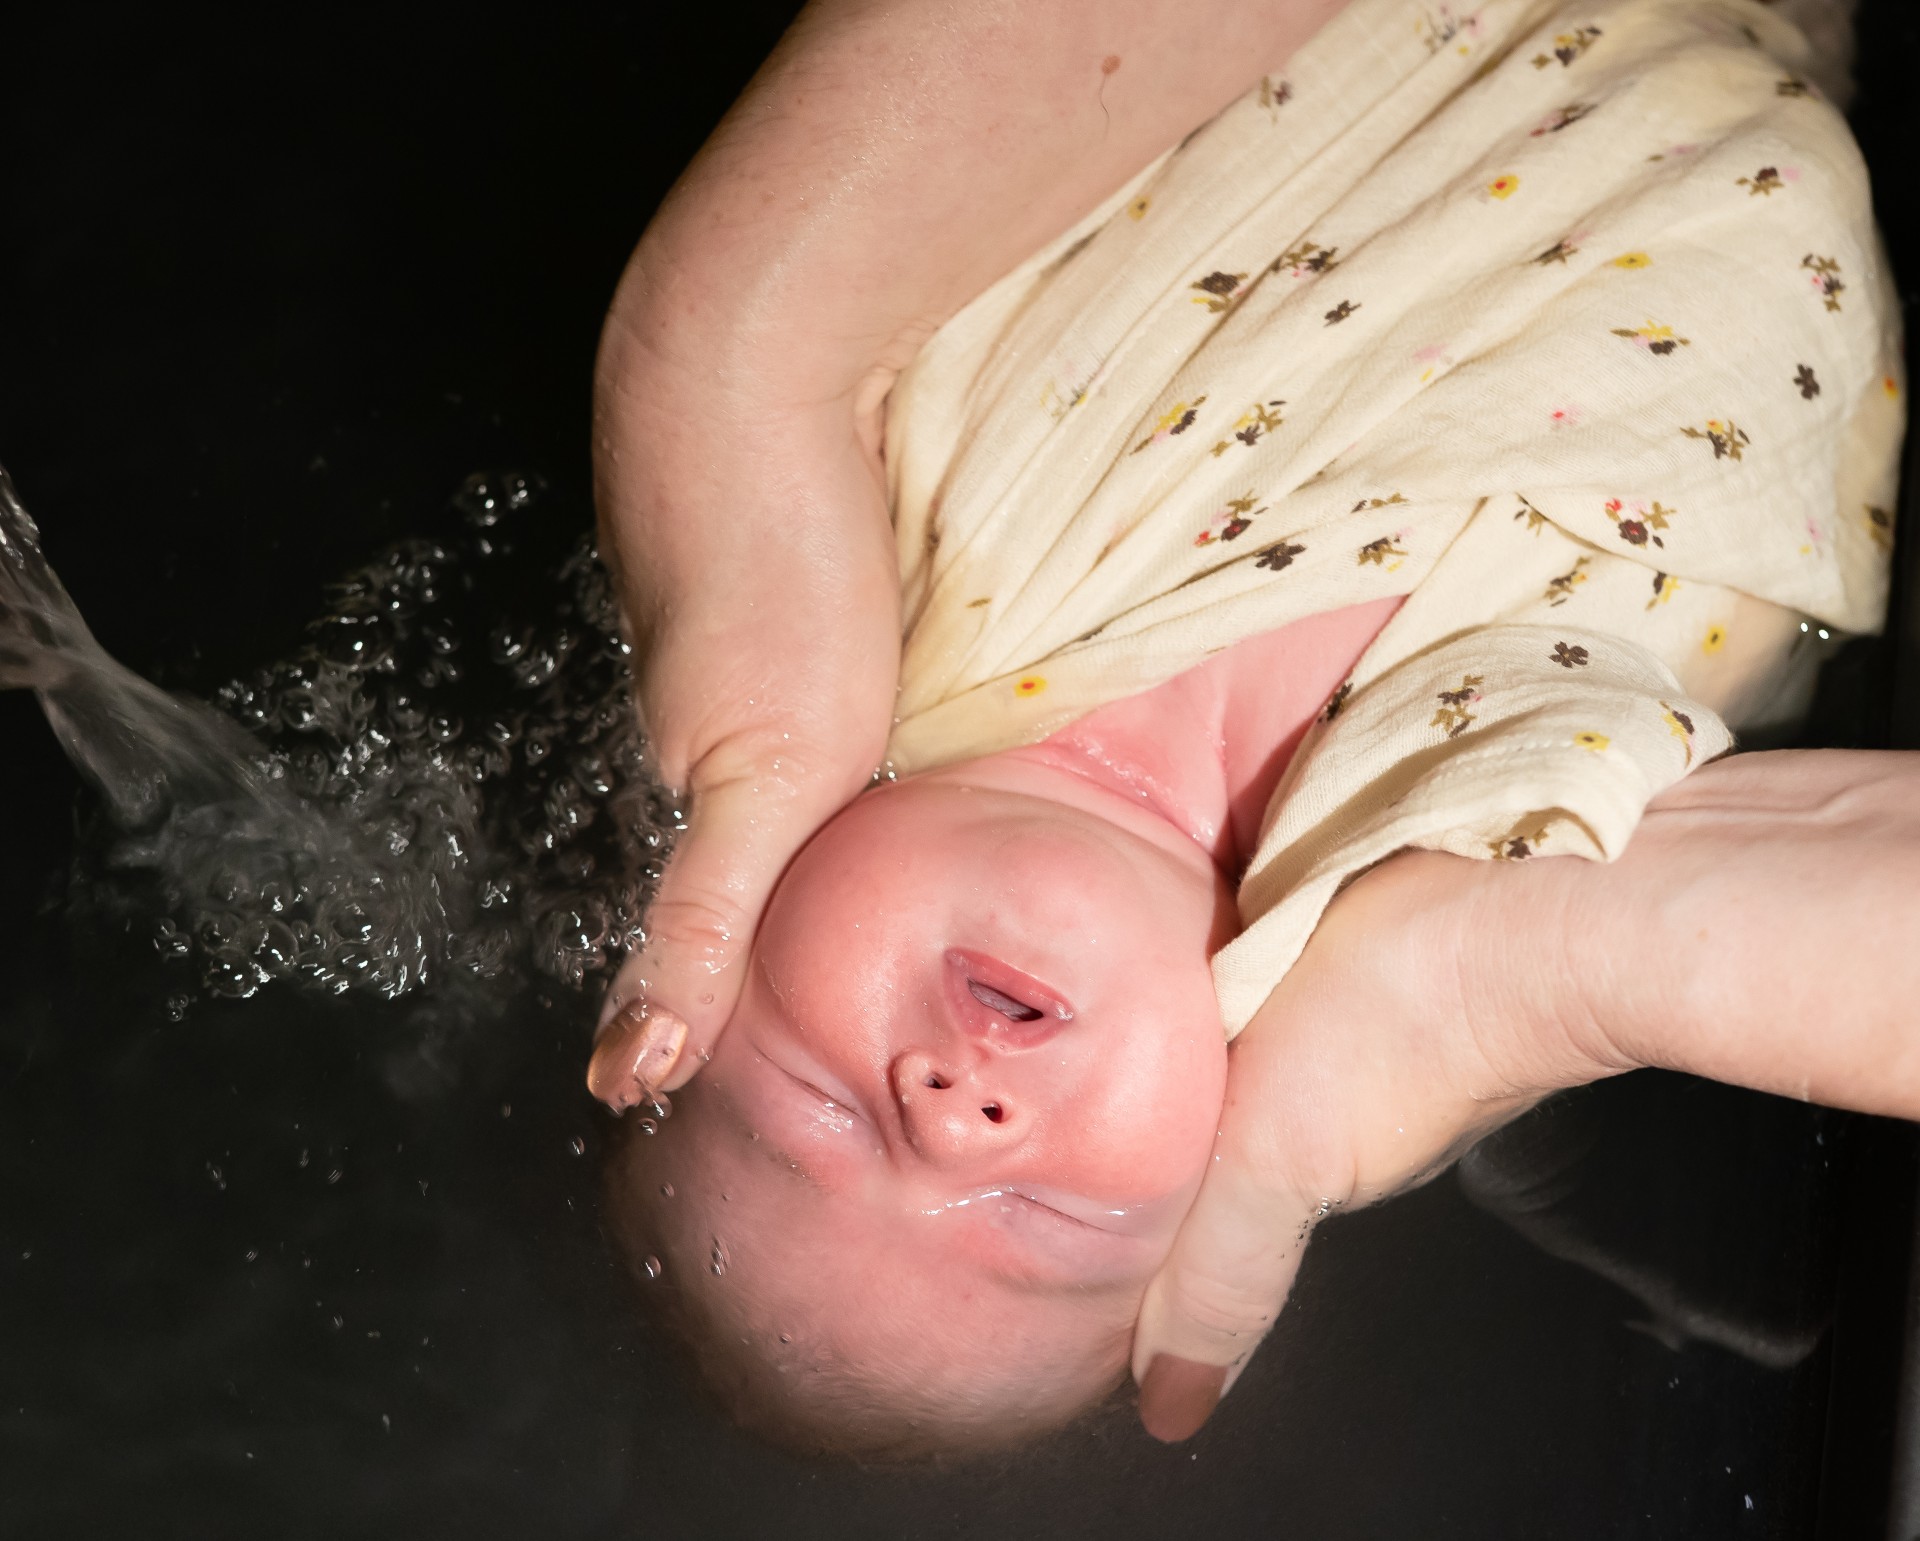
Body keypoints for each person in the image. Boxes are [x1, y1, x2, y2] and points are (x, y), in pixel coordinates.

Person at [586, 0, 1912, 1450]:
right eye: (1037, 1218)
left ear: (707, 937)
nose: (947, 1115)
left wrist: (739, 396)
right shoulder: (1413, 860)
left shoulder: (864, 577)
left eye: (810, 1114)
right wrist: (1545, 960)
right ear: (1223, 1187)